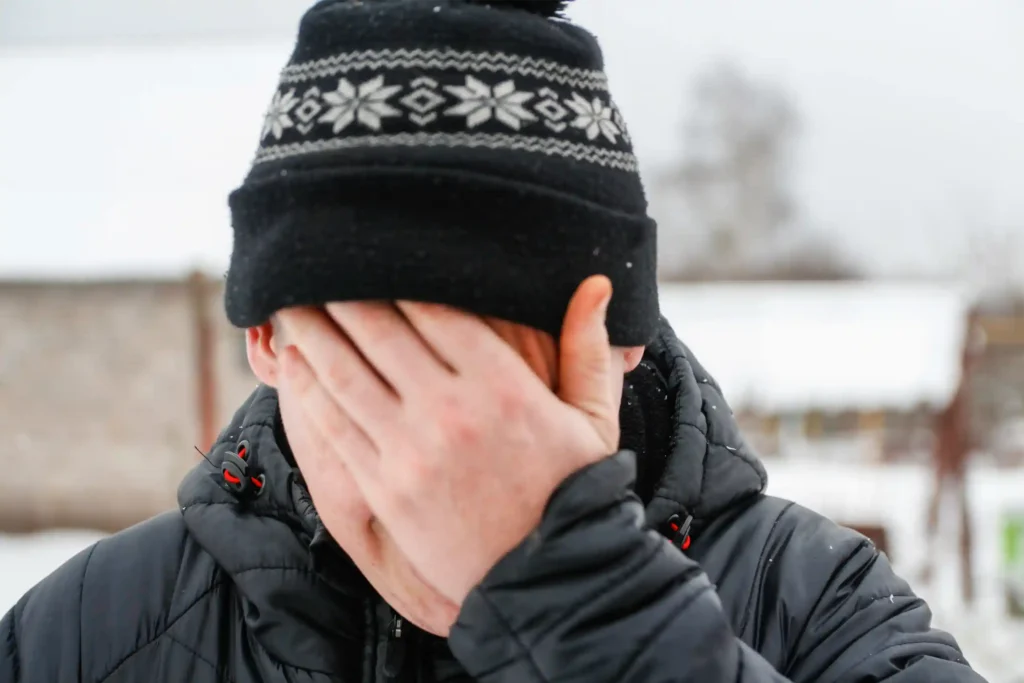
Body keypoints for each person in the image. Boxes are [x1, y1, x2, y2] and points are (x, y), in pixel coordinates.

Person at [1, 0, 986, 681]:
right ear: (267, 343)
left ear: (621, 350)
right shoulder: (91, 632)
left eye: (505, 389)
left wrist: (594, 608)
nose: (437, 468)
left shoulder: (806, 598)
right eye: (373, 383)